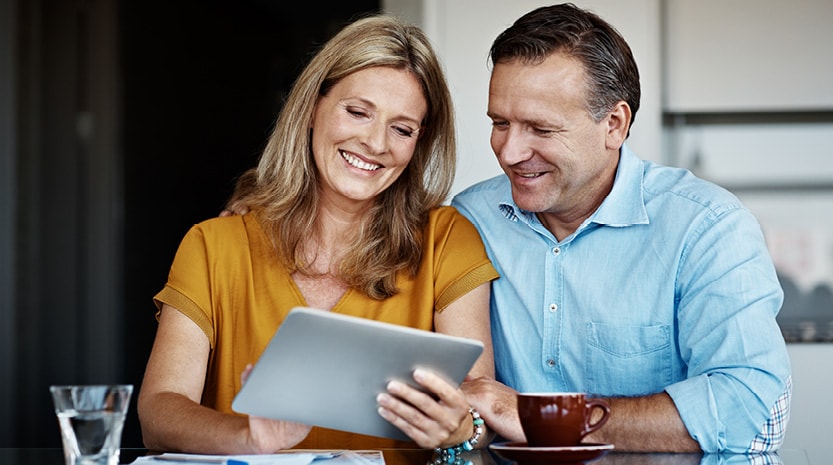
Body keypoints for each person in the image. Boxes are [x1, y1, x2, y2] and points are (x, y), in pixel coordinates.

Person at [137, 14, 499, 454]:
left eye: (401, 129)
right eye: (357, 112)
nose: (376, 143)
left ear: (419, 142)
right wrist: (249, 438)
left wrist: (465, 431)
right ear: (312, 107)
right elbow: (158, 412)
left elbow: (479, 402)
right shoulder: (214, 245)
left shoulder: (447, 240)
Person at [451, 3, 792, 454]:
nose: (510, 151)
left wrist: (545, 420)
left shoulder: (706, 226)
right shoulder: (471, 219)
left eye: (541, 129)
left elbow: (744, 405)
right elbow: (468, 404)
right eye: (500, 123)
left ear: (614, 124)